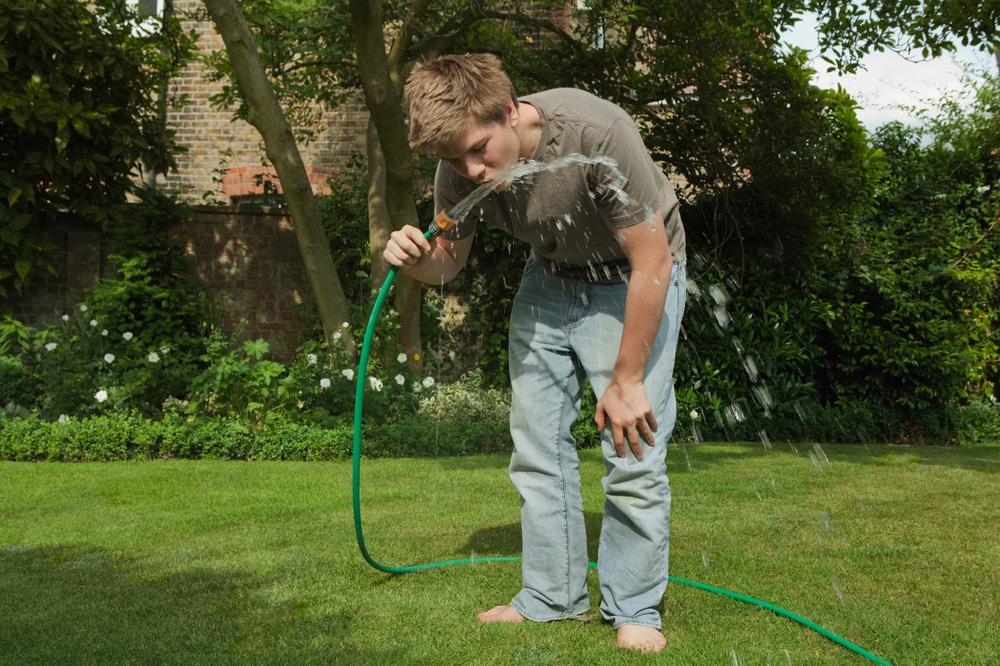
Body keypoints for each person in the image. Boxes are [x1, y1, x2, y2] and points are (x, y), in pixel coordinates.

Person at [385, 53, 687, 653]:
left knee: (631, 446)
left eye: (478, 150)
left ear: (509, 110)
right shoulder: (457, 168)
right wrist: (420, 262)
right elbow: (450, 264)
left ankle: (634, 607)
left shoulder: (594, 133)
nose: (470, 170)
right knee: (536, 447)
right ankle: (552, 597)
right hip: (549, 277)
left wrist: (626, 380)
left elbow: (652, 260)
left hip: (633, 278)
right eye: (452, 159)